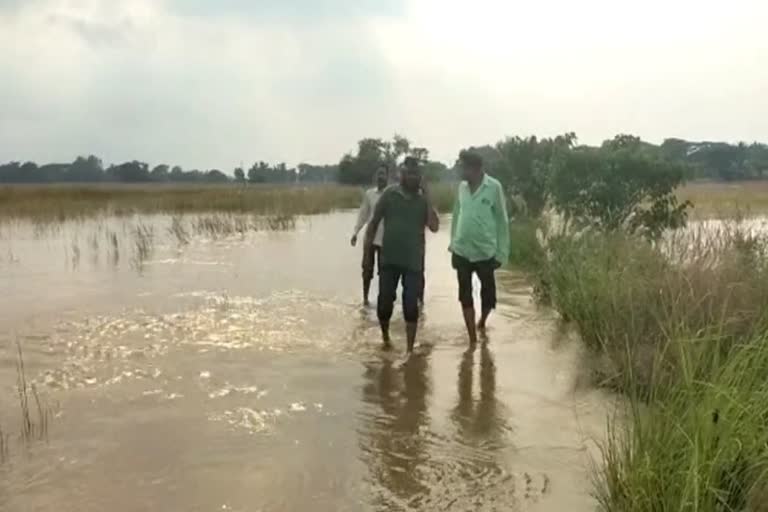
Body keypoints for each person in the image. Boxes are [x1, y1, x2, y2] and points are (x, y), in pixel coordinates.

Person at [365, 157, 439, 353]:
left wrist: (429, 195)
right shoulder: (390, 194)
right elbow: (373, 224)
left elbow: (434, 226)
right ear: (402, 175)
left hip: (413, 263)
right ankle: (386, 338)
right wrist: (367, 253)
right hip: (389, 260)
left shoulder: (423, 200)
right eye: (409, 173)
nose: (413, 178)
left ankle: (409, 350)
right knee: (384, 305)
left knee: (411, 307)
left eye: (417, 174)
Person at [449, 150, 510, 345]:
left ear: (475, 168)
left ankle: (482, 321)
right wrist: (453, 241)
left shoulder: (494, 187)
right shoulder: (461, 188)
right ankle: (472, 339)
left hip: (486, 252)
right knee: (464, 295)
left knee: (488, 296)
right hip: (462, 250)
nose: (461, 170)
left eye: (463, 167)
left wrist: (502, 252)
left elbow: (502, 221)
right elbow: (457, 214)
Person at [351, 164, 389, 305]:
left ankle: (382, 300)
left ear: (387, 177)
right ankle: (365, 299)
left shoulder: (391, 194)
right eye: (378, 174)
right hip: (370, 238)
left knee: (384, 272)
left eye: (383, 174)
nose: (380, 177)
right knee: (367, 270)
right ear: (375, 177)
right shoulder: (369, 194)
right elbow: (363, 214)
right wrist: (355, 232)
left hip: (385, 239)